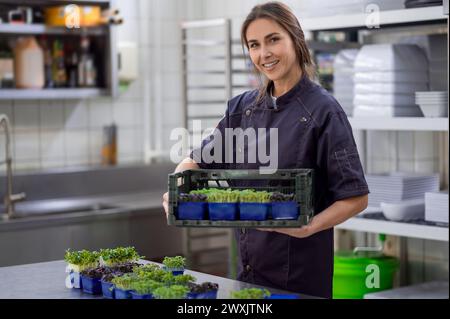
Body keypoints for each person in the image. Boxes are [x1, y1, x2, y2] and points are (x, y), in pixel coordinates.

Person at [163, 1, 369, 299]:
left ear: (295, 39)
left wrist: (310, 226)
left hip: (299, 280)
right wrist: (176, 187)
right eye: (254, 45)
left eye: (273, 39)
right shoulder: (241, 108)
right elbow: (197, 158)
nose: (264, 53)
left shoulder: (324, 111)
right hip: (246, 275)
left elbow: (356, 197)